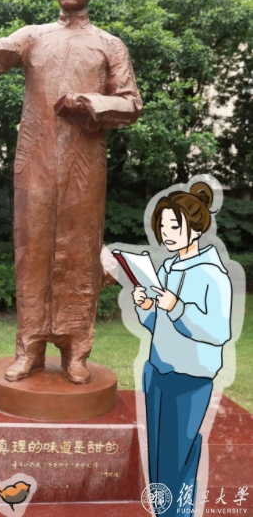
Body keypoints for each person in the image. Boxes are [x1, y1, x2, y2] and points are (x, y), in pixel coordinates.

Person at [0, 0, 142, 385]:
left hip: (85, 162)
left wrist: (91, 102)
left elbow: (131, 103)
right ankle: (29, 348)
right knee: (31, 250)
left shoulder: (109, 45)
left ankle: (76, 349)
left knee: (81, 251)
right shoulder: (34, 36)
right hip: (34, 159)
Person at [132, 181, 232, 515]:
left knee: (178, 458)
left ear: (197, 228)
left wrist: (175, 307)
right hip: (157, 370)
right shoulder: (167, 267)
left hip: (189, 379)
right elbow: (158, 325)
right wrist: (147, 306)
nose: (167, 234)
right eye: (163, 227)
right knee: (158, 457)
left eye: (175, 226)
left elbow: (217, 331)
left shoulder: (212, 275)